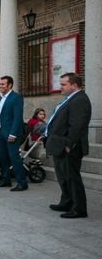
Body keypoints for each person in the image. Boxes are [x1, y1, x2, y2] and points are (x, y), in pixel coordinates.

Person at [45, 73, 91, 219]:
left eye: (64, 84)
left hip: (69, 147)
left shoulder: (80, 100)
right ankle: (66, 202)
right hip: (59, 145)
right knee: (63, 177)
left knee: (72, 178)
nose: (61, 87)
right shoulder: (69, 99)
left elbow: (77, 126)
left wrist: (68, 145)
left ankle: (79, 209)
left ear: (74, 85)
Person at [0, 76, 28, 191]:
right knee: (3, 157)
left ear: (10, 85)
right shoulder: (1, 98)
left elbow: (17, 117)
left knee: (14, 158)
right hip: (1, 133)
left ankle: (22, 183)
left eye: (3, 84)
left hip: (11, 133)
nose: (0, 86)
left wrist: (13, 134)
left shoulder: (16, 97)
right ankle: (5, 180)